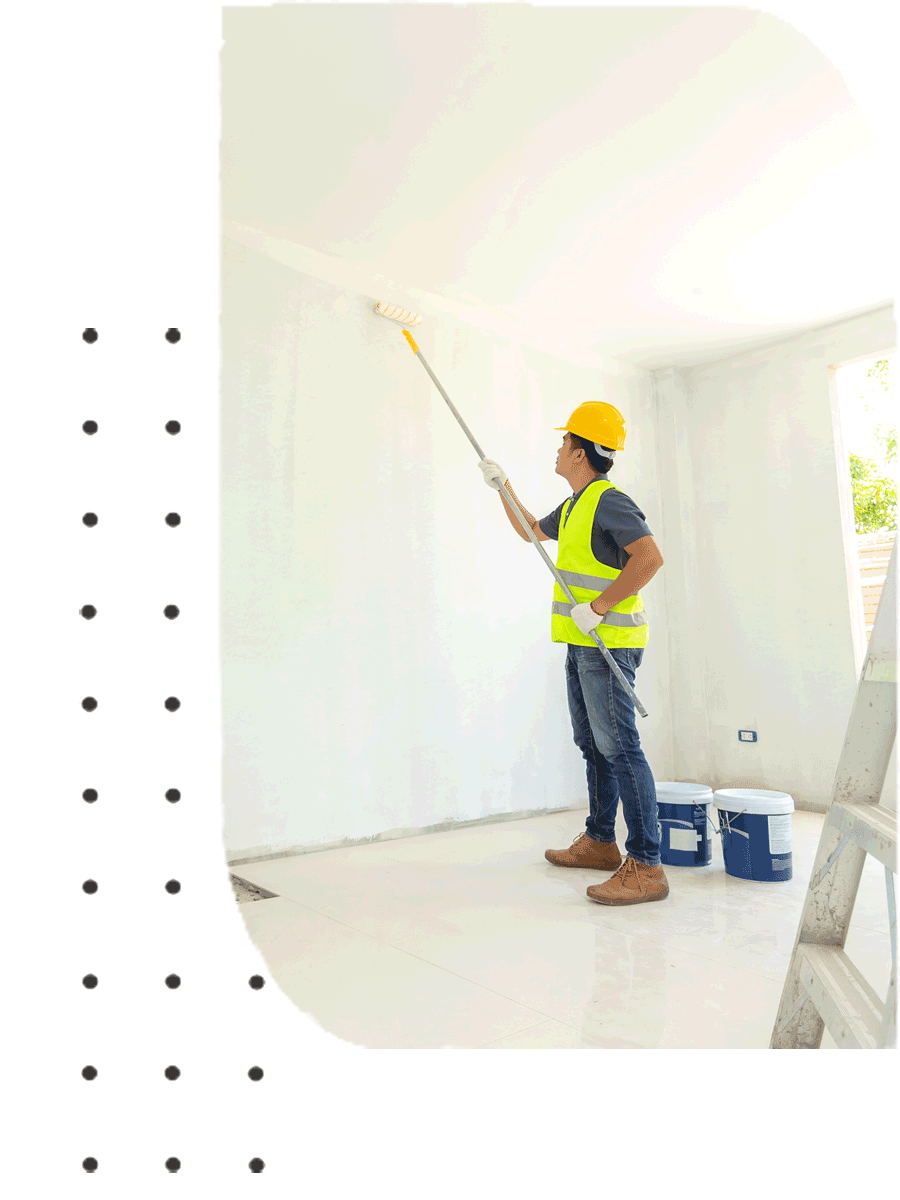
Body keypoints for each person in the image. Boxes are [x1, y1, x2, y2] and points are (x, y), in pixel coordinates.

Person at [478, 402, 669, 905]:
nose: (558, 449)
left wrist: (602, 606)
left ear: (580, 452)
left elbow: (649, 558)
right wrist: (504, 486)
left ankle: (647, 865)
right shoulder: (576, 505)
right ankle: (601, 842)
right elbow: (528, 531)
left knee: (621, 748)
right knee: (593, 744)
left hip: (609, 645)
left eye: (564, 443)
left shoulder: (609, 501)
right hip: (583, 644)